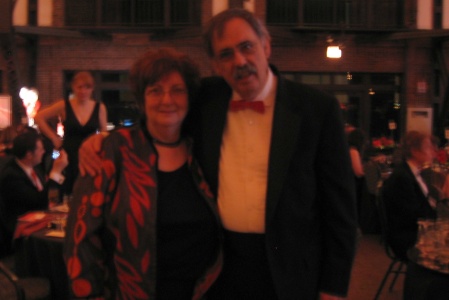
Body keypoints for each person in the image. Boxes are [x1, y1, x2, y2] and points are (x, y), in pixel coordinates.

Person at [78, 9, 357, 300]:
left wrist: (333, 288)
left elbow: (340, 210)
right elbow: (163, 114)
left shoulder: (317, 109)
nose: (239, 61)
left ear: (266, 45)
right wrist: (103, 140)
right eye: (226, 54)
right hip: (219, 270)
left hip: (290, 273)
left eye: (246, 46)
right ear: (215, 64)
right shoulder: (206, 99)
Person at [64, 48, 222, 300]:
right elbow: (80, 240)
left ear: (189, 98)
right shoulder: (112, 151)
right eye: (155, 90)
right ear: (141, 99)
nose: (167, 99)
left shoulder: (201, 153)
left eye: (177, 90)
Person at [34, 71, 108, 195]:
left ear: (92, 89)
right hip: (68, 155)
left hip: (90, 155)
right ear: (73, 87)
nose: (83, 91)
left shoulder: (99, 108)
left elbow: (104, 133)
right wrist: (54, 138)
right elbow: (39, 117)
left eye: (87, 87)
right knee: (69, 191)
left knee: (90, 191)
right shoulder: (64, 105)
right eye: (79, 87)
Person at [0, 131, 67, 255]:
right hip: (23, 234)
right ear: (29, 154)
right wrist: (56, 172)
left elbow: (51, 194)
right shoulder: (11, 176)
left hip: (40, 220)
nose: (43, 152)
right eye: (41, 149)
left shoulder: (34, 167)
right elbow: (38, 201)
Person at [382, 130, 437, 261]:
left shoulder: (409, 172)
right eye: (428, 147)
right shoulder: (403, 177)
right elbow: (412, 215)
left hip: (412, 231)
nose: (433, 150)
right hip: (407, 239)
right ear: (415, 151)